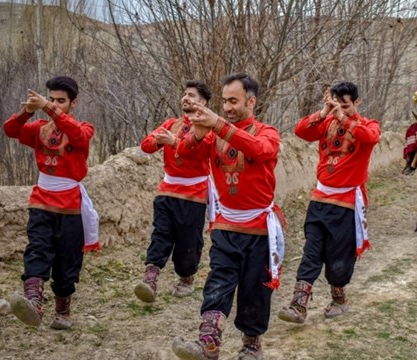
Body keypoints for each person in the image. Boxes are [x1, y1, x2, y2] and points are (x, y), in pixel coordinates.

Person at [171, 73, 285, 360]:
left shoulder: (266, 131)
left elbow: (261, 150)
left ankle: (251, 345)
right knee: (218, 281)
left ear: (252, 101)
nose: (227, 108)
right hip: (225, 223)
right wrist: (196, 132)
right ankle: (208, 342)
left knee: (254, 290)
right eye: (224, 102)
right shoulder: (213, 134)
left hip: (259, 227)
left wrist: (218, 125)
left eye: (234, 101)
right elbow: (184, 153)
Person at [278, 82, 381, 324]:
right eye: (337, 105)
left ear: (356, 103)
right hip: (319, 199)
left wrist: (344, 119)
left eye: (346, 105)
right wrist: (324, 112)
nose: (341, 110)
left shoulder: (368, 124)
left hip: (346, 204)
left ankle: (339, 298)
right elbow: (301, 131)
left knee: (338, 258)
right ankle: (298, 305)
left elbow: (371, 137)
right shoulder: (326, 121)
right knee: (311, 251)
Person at [4, 76, 99, 330]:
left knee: (68, 260)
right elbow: (10, 130)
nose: (56, 104)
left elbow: (77, 135)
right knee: (38, 247)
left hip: (70, 205)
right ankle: (33, 300)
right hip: (42, 200)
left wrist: (47, 107)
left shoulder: (84, 128)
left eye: (61, 101)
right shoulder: (39, 129)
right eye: (52, 99)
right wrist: (27, 111)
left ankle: (62, 309)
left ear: (73, 103)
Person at [134, 80, 213, 303]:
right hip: (167, 189)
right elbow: (146, 145)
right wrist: (159, 140)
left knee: (188, 238)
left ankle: (186, 277)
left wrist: (173, 141)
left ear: (203, 102)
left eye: (192, 95)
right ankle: (150, 277)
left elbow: (199, 152)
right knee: (161, 232)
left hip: (194, 192)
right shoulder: (171, 123)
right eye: (184, 94)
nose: (185, 98)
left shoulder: (208, 127)